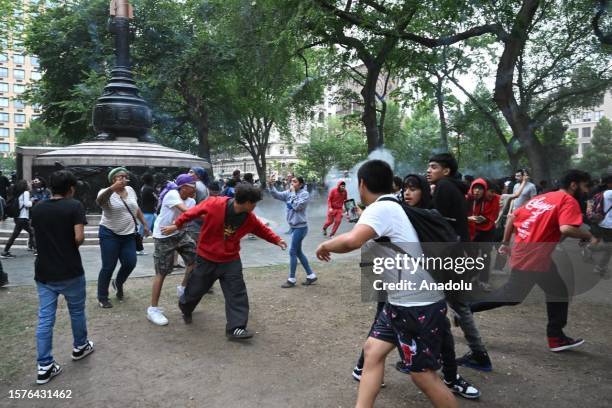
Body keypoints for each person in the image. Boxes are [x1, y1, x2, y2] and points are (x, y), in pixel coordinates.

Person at [315, 160, 458, 408]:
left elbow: (353, 241)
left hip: (417, 304)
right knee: (372, 351)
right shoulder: (390, 206)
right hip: (399, 303)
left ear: (362, 184)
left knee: (423, 375)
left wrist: (325, 245)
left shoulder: (380, 210)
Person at [352, 173, 480, 399]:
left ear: (425, 191)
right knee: (376, 346)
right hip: (396, 292)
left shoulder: (428, 217)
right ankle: (364, 366)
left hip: (424, 295)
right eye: (405, 189)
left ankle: (450, 376)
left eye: (414, 188)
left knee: (427, 366)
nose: (408, 193)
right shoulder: (397, 212)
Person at [471, 169, 596, 352]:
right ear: (574, 185)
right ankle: (466, 308)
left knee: (557, 290)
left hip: (529, 251)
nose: (586, 192)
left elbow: (513, 217)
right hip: (534, 255)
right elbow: (567, 229)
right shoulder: (569, 201)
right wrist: (590, 235)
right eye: (585, 187)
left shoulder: (543, 198)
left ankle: (556, 337)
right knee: (513, 295)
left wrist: (506, 243)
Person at [161, 184, 287, 339]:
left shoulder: (249, 218)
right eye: (254, 203)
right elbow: (193, 212)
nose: (255, 206)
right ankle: (185, 307)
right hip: (207, 256)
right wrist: (177, 225)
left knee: (237, 292)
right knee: (196, 289)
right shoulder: (215, 203)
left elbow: (261, 229)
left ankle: (236, 328)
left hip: (230, 259)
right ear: (247, 202)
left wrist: (277, 240)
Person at [426, 153, 493, 372]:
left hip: (449, 256)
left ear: (446, 171)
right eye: (429, 167)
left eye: (434, 167)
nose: (429, 170)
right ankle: (477, 353)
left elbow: (435, 221)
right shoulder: (453, 187)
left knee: (447, 305)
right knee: (456, 305)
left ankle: (437, 356)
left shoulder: (445, 187)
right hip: (456, 253)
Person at [31, 170, 94, 385]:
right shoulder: (74, 206)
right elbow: (79, 237)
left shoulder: (38, 208)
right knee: (76, 311)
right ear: (71, 189)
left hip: (44, 272)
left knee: (45, 318)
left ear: (50, 187)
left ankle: (44, 366)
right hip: (70, 270)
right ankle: (80, 347)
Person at [96, 167, 150, 308]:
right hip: (109, 233)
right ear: (113, 179)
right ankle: (102, 297)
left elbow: (136, 208)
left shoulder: (130, 190)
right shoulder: (105, 192)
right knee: (108, 266)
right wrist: (112, 189)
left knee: (130, 262)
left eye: (125, 176)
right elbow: (99, 202)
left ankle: (118, 282)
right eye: (120, 177)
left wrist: (145, 224)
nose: (124, 179)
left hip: (128, 234)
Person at [147, 174, 197, 326]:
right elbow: (188, 213)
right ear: (183, 187)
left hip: (179, 233)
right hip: (163, 235)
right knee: (162, 272)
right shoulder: (172, 194)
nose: (195, 189)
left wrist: (176, 227)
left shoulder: (192, 200)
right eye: (192, 186)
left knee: (195, 260)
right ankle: (153, 309)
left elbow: (188, 218)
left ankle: (182, 288)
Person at [269, 176, 318, 288]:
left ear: (300, 184)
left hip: (301, 227)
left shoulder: (304, 194)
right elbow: (276, 195)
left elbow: (297, 206)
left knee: (292, 251)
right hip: (294, 227)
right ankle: (311, 275)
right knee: (298, 252)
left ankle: (291, 279)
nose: (292, 183)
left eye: (294, 182)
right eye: (291, 181)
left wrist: (292, 193)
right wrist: (271, 186)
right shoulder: (289, 192)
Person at [466, 178, 501, 291]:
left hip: (488, 230)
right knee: (472, 255)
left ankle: (483, 280)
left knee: (486, 255)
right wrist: (468, 218)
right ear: (471, 188)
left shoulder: (492, 199)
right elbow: (459, 214)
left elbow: (494, 213)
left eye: (480, 189)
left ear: (484, 190)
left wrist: (485, 219)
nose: (477, 191)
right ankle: (472, 275)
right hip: (472, 230)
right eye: (475, 188)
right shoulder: (467, 199)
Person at [1, 180, 35, 258]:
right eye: (28, 183)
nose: (29, 184)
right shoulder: (26, 193)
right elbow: (27, 204)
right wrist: (31, 201)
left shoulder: (18, 194)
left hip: (18, 218)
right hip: (23, 218)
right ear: (25, 186)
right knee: (32, 232)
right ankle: (36, 250)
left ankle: (5, 251)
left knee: (17, 234)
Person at [591, 175, 612, 279]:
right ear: (609, 183)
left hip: (604, 223)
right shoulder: (609, 193)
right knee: (609, 247)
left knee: (609, 247)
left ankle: (590, 249)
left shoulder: (604, 192)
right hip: (608, 225)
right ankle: (599, 266)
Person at [138, 173, 158, 256]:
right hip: (148, 213)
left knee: (157, 231)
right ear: (151, 180)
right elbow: (157, 198)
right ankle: (139, 249)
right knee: (141, 233)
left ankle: (158, 248)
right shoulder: (149, 189)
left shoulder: (143, 188)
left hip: (147, 212)